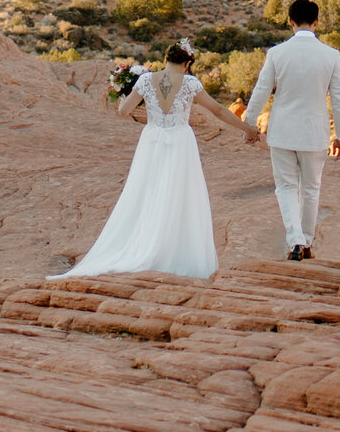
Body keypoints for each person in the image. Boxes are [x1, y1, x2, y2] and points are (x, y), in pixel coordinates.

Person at [55, 42, 259, 279]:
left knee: (147, 192)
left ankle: (144, 245)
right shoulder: (190, 83)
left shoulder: (144, 80)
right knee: (179, 195)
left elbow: (123, 111)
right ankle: (170, 251)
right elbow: (219, 111)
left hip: (152, 140)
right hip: (180, 141)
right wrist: (248, 129)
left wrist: (129, 92)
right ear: (187, 64)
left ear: (165, 60)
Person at [243, 0, 340, 261]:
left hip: (282, 131)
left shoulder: (277, 54)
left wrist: (249, 123)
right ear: (317, 22)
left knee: (286, 187)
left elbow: (261, 90)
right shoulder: (331, 55)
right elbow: (339, 97)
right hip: (315, 132)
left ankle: (295, 241)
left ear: (290, 21)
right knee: (311, 188)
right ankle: (307, 241)